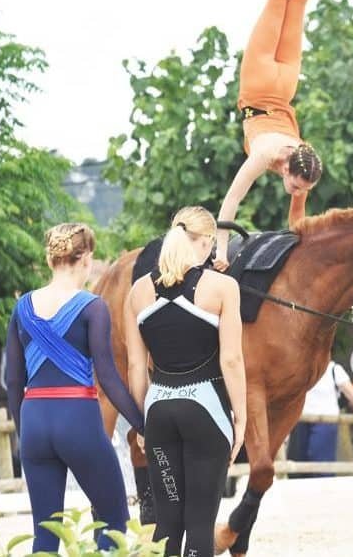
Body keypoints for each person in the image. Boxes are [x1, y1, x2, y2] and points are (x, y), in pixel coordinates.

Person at [4, 223, 145, 554]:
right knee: (113, 520)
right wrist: (142, 425)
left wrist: (26, 433)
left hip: (35, 420)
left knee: (45, 533)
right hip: (77, 418)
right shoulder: (92, 307)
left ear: (50, 259)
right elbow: (108, 377)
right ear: (85, 260)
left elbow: (13, 382)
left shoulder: (22, 308)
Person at [214, 0, 329, 270]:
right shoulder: (267, 155)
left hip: (285, 85)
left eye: (301, 190)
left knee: (296, 5)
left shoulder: (303, 161)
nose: (297, 192)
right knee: (281, 1)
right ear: (294, 170)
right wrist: (219, 250)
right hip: (261, 84)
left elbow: (296, 222)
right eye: (298, 188)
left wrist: (310, 243)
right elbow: (232, 199)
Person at [124, 206, 246, 557]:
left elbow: (136, 365)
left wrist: (143, 423)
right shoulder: (223, 286)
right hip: (205, 410)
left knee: (168, 524)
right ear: (207, 242)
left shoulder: (139, 290)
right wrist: (241, 417)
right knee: (200, 522)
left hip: (159, 410)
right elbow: (232, 359)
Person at [288, 360, 353, 477]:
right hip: (301, 420)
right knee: (299, 462)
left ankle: (324, 491)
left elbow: (348, 390)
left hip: (326, 421)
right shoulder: (299, 366)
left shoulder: (334, 369)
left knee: (321, 462)